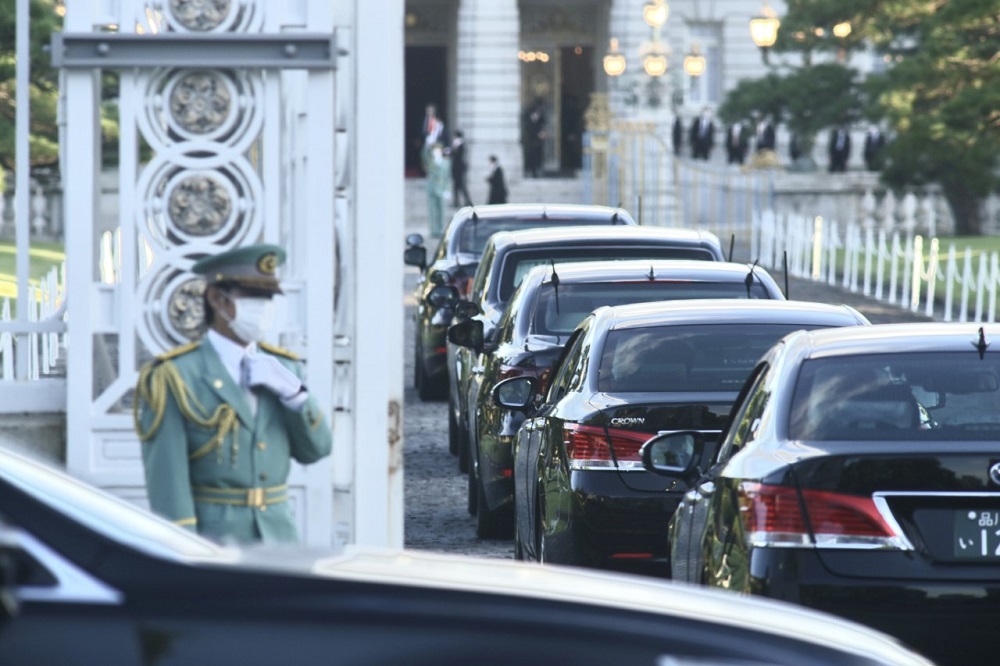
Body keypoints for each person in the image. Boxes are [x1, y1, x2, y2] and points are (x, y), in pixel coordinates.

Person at [133, 243, 333, 545]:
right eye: (253, 297)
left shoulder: (283, 369)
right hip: (214, 539)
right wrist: (185, 551)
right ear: (216, 298)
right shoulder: (174, 376)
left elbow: (316, 450)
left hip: (278, 537)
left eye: (268, 298)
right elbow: (168, 482)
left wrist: (296, 396)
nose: (263, 307)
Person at [422, 142, 451, 236]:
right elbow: (424, 156)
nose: (436, 153)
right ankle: (433, 230)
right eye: (434, 151)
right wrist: (427, 147)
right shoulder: (430, 162)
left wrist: (448, 190)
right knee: (432, 210)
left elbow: (448, 177)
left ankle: (441, 229)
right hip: (432, 187)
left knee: (441, 211)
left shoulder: (446, 162)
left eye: (438, 151)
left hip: (441, 187)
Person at [523, 98, 546, 178]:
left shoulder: (540, 117)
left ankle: (537, 170)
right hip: (530, 140)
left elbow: (543, 124)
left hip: (538, 141)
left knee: (538, 156)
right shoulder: (529, 115)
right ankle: (530, 171)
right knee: (531, 156)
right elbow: (529, 127)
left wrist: (542, 133)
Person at [449, 130, 473, 208]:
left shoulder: (461, 145)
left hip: (460, 170)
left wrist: (453, 151)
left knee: (462, 186)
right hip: (456, 170)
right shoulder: (456, 145)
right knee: (456, 187)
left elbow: (458, 156)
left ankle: (467, 201)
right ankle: (456, 202)